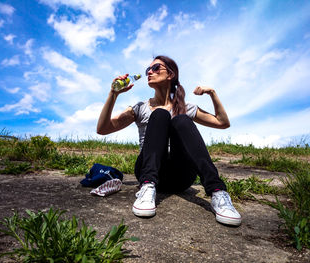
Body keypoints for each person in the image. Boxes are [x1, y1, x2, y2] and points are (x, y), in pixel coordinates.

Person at [97, 55, 241, 226]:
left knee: (182, 119)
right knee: (160, 114)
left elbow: (223, 123)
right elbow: (103, 129)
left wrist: (212, 93)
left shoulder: (186, 108)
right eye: (147, 70)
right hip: (148, 171)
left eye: (156, 68)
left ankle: (218, 192)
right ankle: (147, 188)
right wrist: (113, 94)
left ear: (171, 74)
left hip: (181, 177)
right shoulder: (141, 107)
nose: (149, 72)